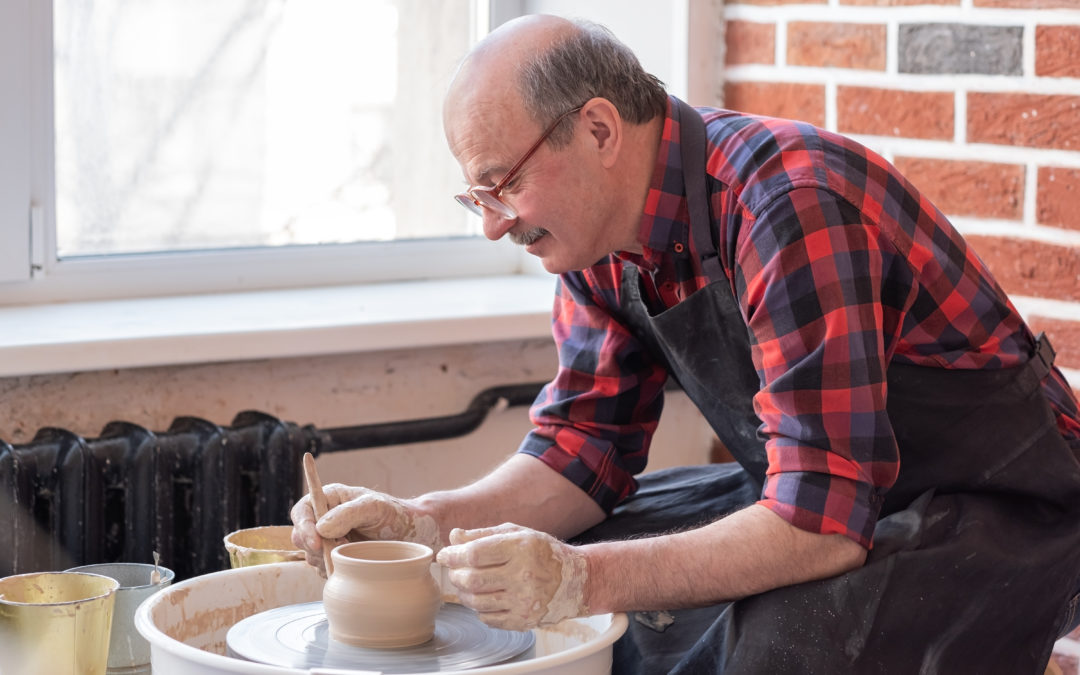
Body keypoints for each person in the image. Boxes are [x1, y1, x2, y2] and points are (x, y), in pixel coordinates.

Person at [292, 14, 1080, 673]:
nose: (497, 222)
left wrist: (580, 579)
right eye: (477, 197)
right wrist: (427, 519)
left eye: (502, 185)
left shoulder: (787, 206)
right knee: (562, 571)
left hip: (997, 508)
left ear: (598, 128)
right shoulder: (593, 235)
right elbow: (580, 448)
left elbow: (818, 521)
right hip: (821, 488)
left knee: (773, 649)